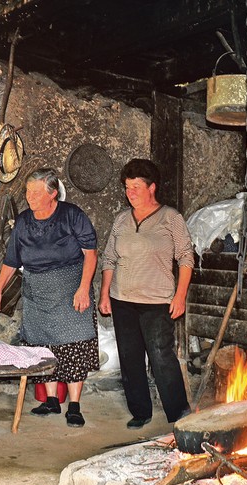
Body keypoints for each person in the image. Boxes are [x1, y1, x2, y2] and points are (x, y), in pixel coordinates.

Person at [0, 168, 99, 427]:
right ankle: (51, 401)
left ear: (52, 194)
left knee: (74, 344)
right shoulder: (24, 221)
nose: (30, 197)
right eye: (28, 191)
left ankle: (74, 406)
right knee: (41, 346)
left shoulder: (71, 215)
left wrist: (83, 289)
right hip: (36, 291)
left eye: (36, 192)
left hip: (69, 288)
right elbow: (11, 260)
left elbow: (91, 254)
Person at [98, 158, 195, 429]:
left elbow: (186, 258)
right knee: (130, 359)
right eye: (127, 188)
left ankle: (179, 414)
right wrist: (105, 294)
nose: (130, 193)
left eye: (136, 187)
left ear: (152, 187)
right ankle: (140, 411)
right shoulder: (121, 220)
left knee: (161, 356)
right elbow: (109, 259)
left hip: (156, 301)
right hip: (122, 300)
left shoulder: (170, 218)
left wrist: (180, 296)